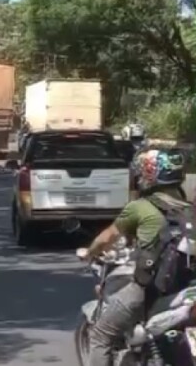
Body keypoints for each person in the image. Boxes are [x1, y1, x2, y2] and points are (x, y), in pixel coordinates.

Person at [78, 148, 190, 366]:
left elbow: (107, 238)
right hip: (185, 288)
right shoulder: (190, 208)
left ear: (149, 176)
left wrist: (90, 253)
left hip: (152, 289)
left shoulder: (140, 207)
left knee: (101, 334)